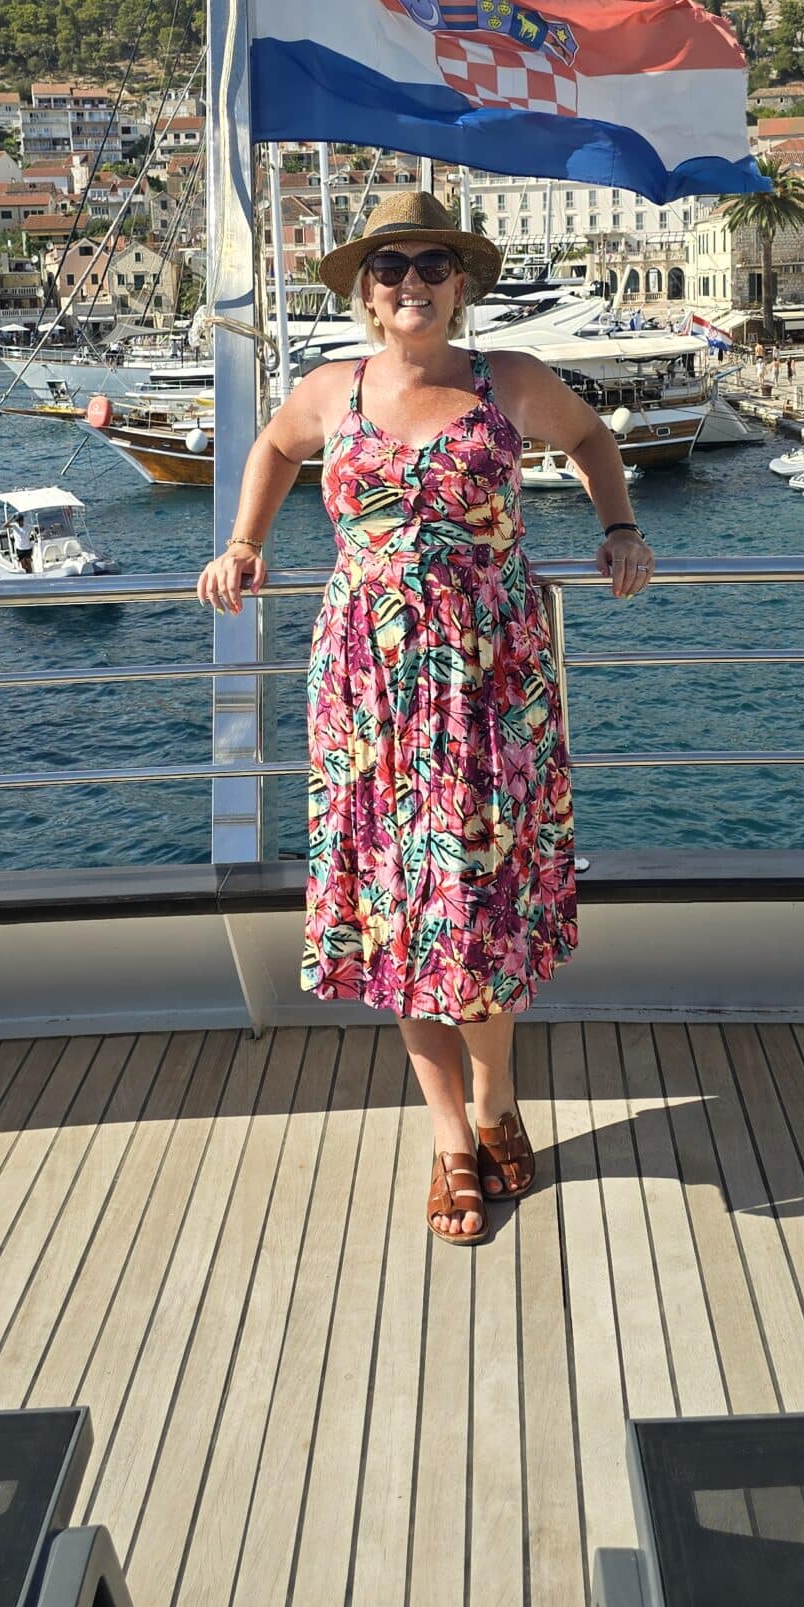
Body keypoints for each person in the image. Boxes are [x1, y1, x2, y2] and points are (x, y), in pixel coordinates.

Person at [197, 193, 655, 1246]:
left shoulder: (511, 384)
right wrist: (246, 544)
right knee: (403, 914)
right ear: (367, 289)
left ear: (462, 283)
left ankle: (495, 1103)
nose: (411, 279)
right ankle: (451, 1137)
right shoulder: (329, 390)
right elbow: (270, 448)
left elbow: (590, 440)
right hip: (368, 691)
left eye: (432, 263)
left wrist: (619, 526)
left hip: (493, 681)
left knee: (481, 908)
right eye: (390, 265)